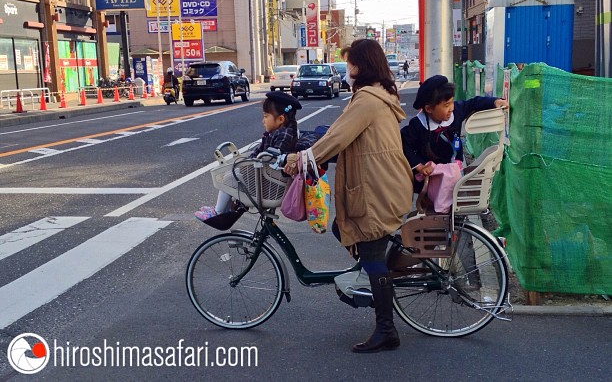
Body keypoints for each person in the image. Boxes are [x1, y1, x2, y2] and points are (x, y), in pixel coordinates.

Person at [284, 39, 413, 354]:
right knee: (343, 229)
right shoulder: (378, 95)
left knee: (369, 254)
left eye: (350, 64)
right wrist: (314, 144)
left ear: (360, 66)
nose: (347, 71)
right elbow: (339, 133)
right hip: (385, 183)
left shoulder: (367, 100)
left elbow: (337, 138)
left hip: (376, 189)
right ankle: (374, 278)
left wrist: (300, 160)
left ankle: (386, 328)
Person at [195, 91, 302, 221]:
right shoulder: (282, 132)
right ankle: (225, 208)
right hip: (269, 180)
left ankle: (218, 211)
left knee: (231, 176)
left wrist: (251, 159)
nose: (263, 121)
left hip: (268, 183)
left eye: (266, 116)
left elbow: (271, 156)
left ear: (281, 119)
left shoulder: (284, 135)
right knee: (235, 174)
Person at [401, 75, 508, 183]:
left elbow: (473, 103)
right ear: (429, 109)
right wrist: (420, 166)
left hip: (454, 168)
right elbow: (405, 146)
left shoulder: (456, 111)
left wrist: (494, 102)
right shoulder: (417, 125)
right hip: (432, 175)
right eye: (446, 105)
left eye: (452, 102)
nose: (451, 108)